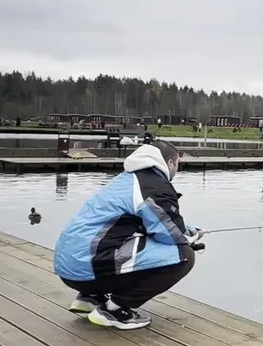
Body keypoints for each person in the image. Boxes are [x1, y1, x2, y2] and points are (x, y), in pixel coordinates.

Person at [53, 140, 203, 330]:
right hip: (88, 267)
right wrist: (192, 237)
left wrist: (188, 231)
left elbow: (155, 225)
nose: (176, 171)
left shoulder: (127, 179)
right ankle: (114, 310)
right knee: (184, 256)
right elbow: (172, 235)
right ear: (170, 163)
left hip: (68, 267)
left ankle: (90, 298)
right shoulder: (154, 186)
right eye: (177, 165)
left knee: (131, 241)